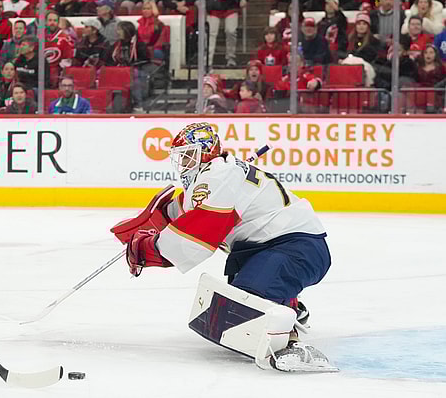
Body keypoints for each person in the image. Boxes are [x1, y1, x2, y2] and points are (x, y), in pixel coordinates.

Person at [118, 122, 334, 372]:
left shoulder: (217, 175)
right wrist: (152, 224)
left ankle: (290, 336)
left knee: (243, 315)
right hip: (272, 249)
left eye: (188, 156)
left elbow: (198, 233)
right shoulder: (216, 173)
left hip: (296, 249)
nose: (184, 164)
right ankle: (284, 302)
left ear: (206, 152)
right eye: (181, 157)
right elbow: (185, 212)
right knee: (230, 315)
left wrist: (150, 249)